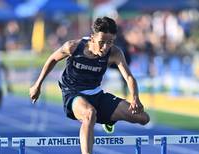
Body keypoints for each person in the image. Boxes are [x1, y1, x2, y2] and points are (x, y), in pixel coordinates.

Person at [29, 16, 150, 154]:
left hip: (96, 94)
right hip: (72, 93)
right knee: (89, 113)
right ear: (92, 37)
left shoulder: (115, 53)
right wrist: (37, 85)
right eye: (102, 42)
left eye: (110, 42)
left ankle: (108, 120)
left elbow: (128, 77)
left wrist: (135, 98)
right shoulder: (73, 47)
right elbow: (52, 59)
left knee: (143, 118)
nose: (105, 47)